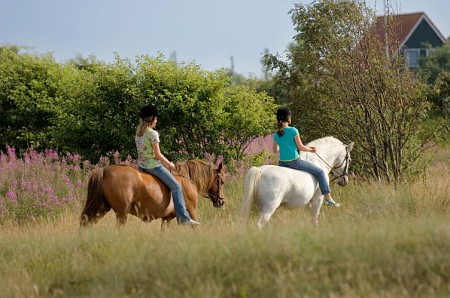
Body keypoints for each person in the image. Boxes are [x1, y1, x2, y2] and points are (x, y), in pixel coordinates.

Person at [135, 105, 200, 225]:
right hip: (153, 167)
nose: (157, 120)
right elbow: (157, 154)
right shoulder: (153, 133)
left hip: (141, 167)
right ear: (152, 119)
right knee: (176, 187)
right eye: (156, 118)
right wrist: (170, 164)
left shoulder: (139, 134)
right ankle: (183, 218)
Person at [272, 107, 340, 207]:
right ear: (288, 118)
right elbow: (301, 147)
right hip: (295, 162)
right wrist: (311, 150)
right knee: (320, 172)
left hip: (282, 163)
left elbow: (274, 150)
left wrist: (283, 148)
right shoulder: (293, 131)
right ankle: (328, 198)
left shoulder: (276, 133)